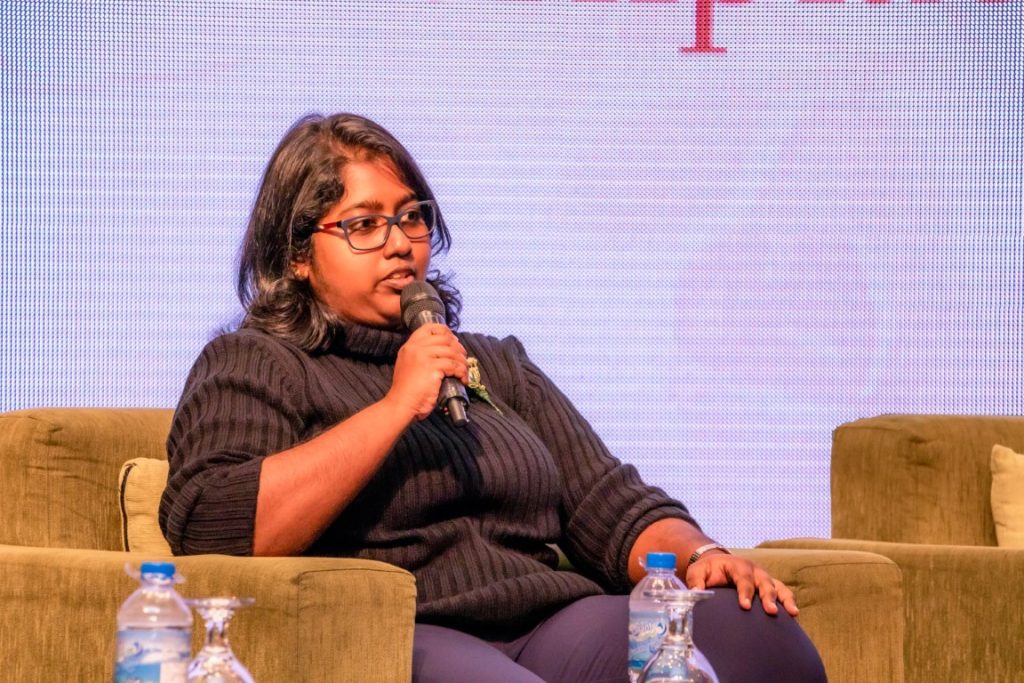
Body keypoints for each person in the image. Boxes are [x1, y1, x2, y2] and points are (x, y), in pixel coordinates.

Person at [159, 112, 827, 683]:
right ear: (297, 255)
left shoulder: (492, 362)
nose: (399, 244)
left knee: (756, 635)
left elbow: (610, 500)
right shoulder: (258, 361)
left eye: (411, 218)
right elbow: (212, 525)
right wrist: (395, 406)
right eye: (363, 225)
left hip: (549, 619)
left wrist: (700, 554)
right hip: (406, 628)